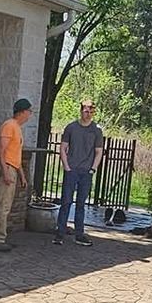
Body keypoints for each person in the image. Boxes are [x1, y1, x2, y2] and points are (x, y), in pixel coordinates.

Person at [54, 101, 105, 246]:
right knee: (66, 202)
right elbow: (63, 148)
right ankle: (60, 233)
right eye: (85, 110)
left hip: (86, 171)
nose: (87, 113)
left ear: (93, 113)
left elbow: (99, 151)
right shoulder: (71, 127)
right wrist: (66, 167)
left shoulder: (96, 130)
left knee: (81, 204)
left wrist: (92, 169)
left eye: (90, 111)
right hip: (72, 169)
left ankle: (79, 234)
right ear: (81, 111)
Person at [0, 97, 33, 249]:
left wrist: (21, 175)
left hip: (12, 167)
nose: (30, 114)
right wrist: (5, 172)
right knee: (3, 205)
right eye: (29, 111)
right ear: (22, 112)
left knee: (6, 205)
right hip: (6, 168)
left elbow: (15, 155)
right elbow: (2, 151)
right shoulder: (9, 126)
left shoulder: (17, 128)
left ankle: (1, 236)